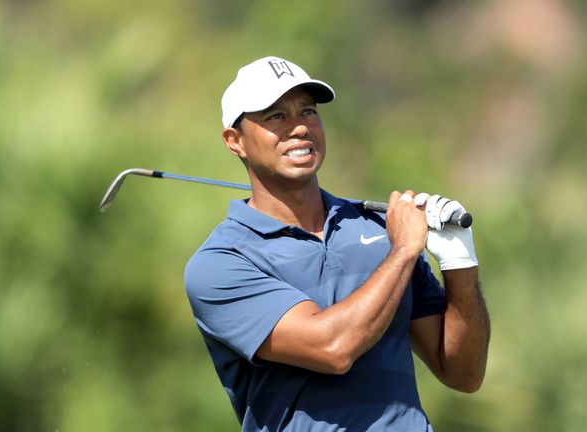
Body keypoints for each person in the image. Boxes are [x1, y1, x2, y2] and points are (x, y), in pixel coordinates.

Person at [184, 56, 490, 431]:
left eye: (308, 111)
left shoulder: (381, 229)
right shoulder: (221, 263)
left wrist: (460, 263)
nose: (299, 127)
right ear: (235, 141)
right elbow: (333, 348)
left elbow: (463, 373)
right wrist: (404, 252)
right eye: (276, 116)